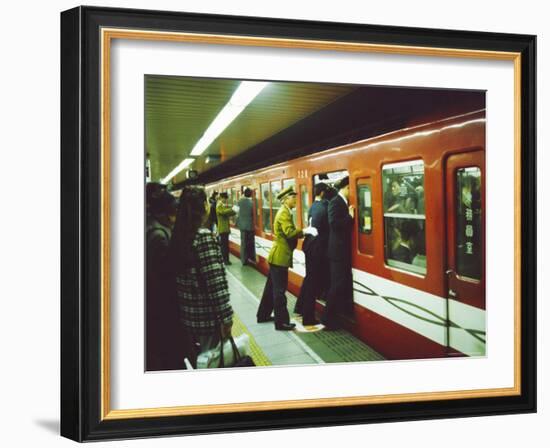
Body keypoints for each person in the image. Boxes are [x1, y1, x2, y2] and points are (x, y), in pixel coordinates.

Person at [169, 186, 234, 364]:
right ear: (203, 207)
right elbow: (216, 284)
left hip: (189, 318)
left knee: (199, 361)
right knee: (213, 362)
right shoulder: (203, 237)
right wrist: (226, 318)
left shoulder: (179, 236)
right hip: (207, 320)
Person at [256, 186, 317, 331]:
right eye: (292, 197)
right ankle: (281, 322)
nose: (295, 199)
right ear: (285, 200)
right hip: (280, 258)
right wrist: (305, 231)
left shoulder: (286, 212)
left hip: (278, 256)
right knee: (279, 291)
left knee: (270, 289)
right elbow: (289, 233)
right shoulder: (284, 213)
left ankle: (263, 315)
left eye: (295, 197)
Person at [145, 184, 185, 370]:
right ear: (165, 212)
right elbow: (164, 280)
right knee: (171, 357)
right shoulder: (158, 237)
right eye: (174, 210)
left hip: (159, 313)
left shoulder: (154, 229)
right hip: (164, 314)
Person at [322, 176, 355, 330]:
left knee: (340, 285)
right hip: (337, 252)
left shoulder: (342, 202)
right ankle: (327, 319)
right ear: (347, 187)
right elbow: (334, 224)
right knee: (336, 285)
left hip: (341, 251)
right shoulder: (336, 202)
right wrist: (349, 217)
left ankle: (336, 315)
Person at [295, 182, 330, 325]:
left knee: (309, 279)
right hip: (316, 249)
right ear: (322, 193)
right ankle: (308, 318)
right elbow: (317, 229)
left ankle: (300, 308)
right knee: (312, 282)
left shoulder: (313, 206)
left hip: (310, 247)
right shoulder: (322, 208)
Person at [236, 187, 256, 266]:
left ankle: (244, 260)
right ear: (251, 194)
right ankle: (251, 258)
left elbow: (234, 211)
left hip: (242, 225)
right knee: (250, 243)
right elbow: (254, 213)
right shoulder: (252, 203)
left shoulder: (239, 201)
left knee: (243, 243)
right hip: (250, 225)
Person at [216, 192, 237, 265]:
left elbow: (227, 212)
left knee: (225, 245)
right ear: (222, 198)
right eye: (225, 199)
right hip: (223, 228)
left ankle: (226, 259)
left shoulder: (221, 204)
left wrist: (234, 211)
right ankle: (225, 260)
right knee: (224, 246)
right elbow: (223, 212)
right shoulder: (219, 205)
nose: (225, 200)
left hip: (225, 228)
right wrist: (232, 209)